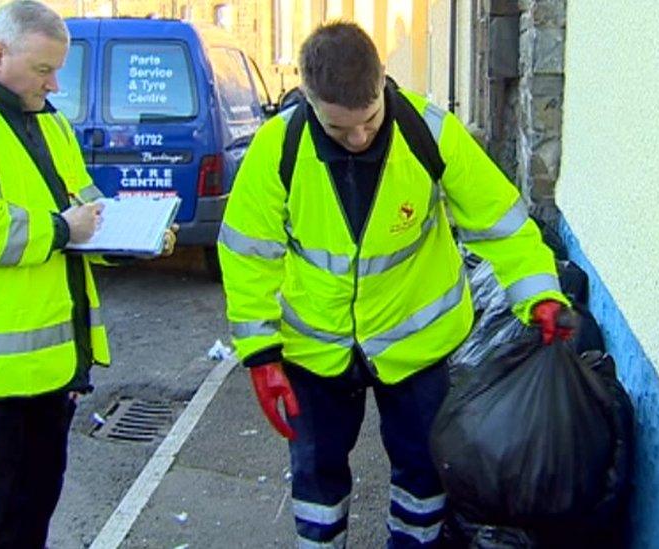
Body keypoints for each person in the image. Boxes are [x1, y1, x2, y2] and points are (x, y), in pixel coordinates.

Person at [217, 21, 574, 548]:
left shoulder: (430, 135)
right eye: (341, 131)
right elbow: (248, 256)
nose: (359, 138)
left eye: (368, 120)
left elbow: (502, 225)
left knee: (423, 474)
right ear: (308, 99)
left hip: (417, 347)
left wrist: (540, 294)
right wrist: (261, 353)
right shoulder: (277, 151)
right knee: (317, 476)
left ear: (382, 81)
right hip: (316, 349)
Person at [0, 1, 172, 546]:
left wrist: (136, 239)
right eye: (44, 69)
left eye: (57, 70)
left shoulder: (51, 126)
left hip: (50, 378)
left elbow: (88, 212)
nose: (54, 84)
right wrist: (63, 229)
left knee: (31, 522)